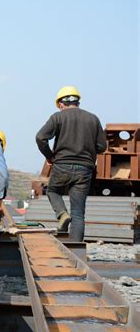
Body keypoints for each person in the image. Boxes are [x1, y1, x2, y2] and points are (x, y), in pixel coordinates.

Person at [36, 86, 106, 241]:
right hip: (84, 169)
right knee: (78, 213)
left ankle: (62, 214)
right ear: (77, 102)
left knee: (53, 191)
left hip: (62, 165)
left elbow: (40, 137)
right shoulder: (93, 118)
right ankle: (75, 250)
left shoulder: (57, 117)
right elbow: (102, 146)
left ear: (61, 103)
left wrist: (50, 157)